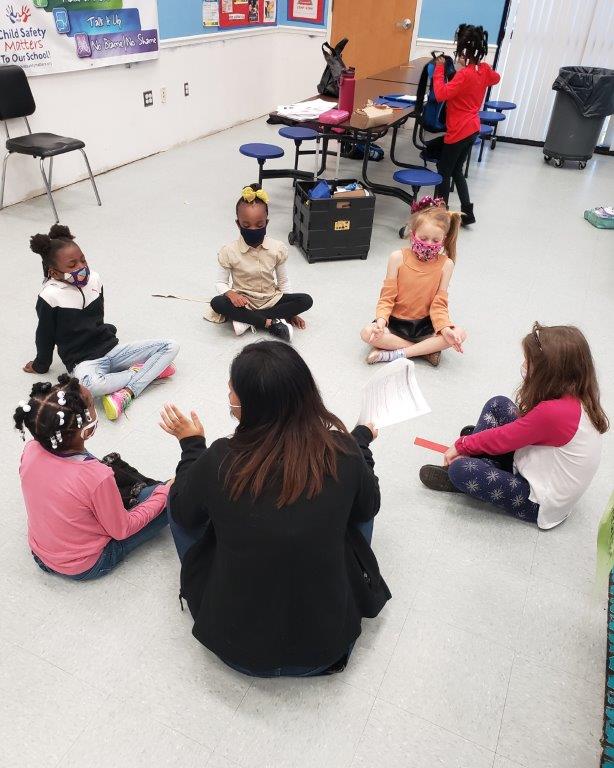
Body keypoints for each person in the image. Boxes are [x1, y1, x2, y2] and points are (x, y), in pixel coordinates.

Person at [160, 341, 390, 677]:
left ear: (250, 404)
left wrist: (192, 446)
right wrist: (360, 447)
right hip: (327, 649)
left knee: (177, 497)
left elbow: (183, 515)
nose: (228, 393)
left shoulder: (220, 459)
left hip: (235, 649)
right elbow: (370, 505)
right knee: (360, 504)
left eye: (232, 389)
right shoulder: (343, 453)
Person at [419, 323, 608, 529]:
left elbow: (507, 437)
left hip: (539, 501)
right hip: (538, 462)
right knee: (498, 404)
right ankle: (485, 457)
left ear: (550, 372)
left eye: (530, 362)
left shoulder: (553, 413)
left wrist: (463, 445)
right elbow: (521, 431)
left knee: (460, 470)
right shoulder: (577, 395)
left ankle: (475, 466)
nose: (525, 364)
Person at [15, 374, 171, 580]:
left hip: (40, 553)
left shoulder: (31, 449)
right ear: (84, 430)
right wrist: (165, 492)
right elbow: (122, 530)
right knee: (171, 498)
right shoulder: (97, 476)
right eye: (91, 405)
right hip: (85, 565)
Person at [24, 224, 179, 421]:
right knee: (88, 387)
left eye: (83, 260)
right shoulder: (49, 296)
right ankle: (146, 372)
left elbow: (99, 315)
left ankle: (128, 391)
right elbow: (45, 335)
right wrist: (41, 365)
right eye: (72, 266)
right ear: (54, 272)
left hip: (111, 349)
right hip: (83, 362)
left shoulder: (94, 279)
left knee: (170, 346)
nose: (81, 267)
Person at [360, 196, 466, 367]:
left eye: (435, 241)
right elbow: (387, 298)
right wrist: (380, 322)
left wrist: (445, 329)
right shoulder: (397, 258)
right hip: (395, 324)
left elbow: (439, 304)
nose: (428, 244)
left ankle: (396, 353)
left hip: (425, 326)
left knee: (460, 333)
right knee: (366, 333)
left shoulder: (446, 264)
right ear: (412, 233)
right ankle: (425, 351)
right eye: (423, 239)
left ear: (444, 240)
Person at [208, 184, 313, 343]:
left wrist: (291, 313)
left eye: (259, 225)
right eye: (246, 225)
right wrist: (232, 294)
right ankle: (270, 321)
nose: (253, 229)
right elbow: (220, 282)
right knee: (217, 302)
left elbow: (283, 281)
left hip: (271, 299)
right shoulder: (229, 251)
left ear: (266, 222)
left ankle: (249, 321)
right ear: (238, 224)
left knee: (305, 300)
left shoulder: (277, 248)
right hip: (244, 302)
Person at [433, 24, 501, 225]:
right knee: (456, 171)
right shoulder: (484, 70)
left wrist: (438, 69)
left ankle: (440, 216)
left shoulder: (464, 75)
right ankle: (468, 212)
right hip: (473, 129)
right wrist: (481, 66)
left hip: (458, 130)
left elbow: (440, 94)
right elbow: (495, 78)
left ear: (463, 52)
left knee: (444, 171)